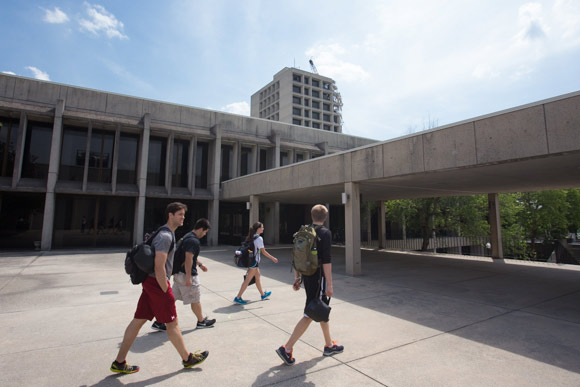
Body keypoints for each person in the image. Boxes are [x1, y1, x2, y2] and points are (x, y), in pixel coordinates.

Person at [110, 202, 209, 374]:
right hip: (157, 284)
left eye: (184, 215)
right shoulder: (165, 236)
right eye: (180, 214)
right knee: (172, 324)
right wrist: (165, 289)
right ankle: (187, 359)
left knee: (138, 320)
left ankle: (119, 362)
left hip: (150, 283)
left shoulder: (164, 232)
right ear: (170, 215)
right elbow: (159, 266)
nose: (183, 218)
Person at [276, 204, 343, 365]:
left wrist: (297, 278)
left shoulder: (304, 232)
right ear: (325, 218)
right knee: (311, 311)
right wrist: (330, 285)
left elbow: (297, 256)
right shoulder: (325, 233)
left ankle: (329, 345)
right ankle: (287, 348)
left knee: (321, 309)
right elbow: (326, 261)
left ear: (312, 216)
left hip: (307, 275)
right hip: (319, 277)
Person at [152, 218, 215, 331]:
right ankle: (201, 321)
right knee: (195, 299)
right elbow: (188, 259)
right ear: (201, 229)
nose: (205, 234)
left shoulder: (187, 236)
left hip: (178, 274)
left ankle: (159, 321)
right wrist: (189, 277)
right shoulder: (193, 241)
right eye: (205, 232)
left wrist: (200, 265)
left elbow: (189, 257)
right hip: (185, 275)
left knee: (171, 298)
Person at [233, 222, 278, 304]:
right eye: (262, 227)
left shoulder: (252, 237)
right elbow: (263, 251)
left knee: (257, 277)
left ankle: (263, 295)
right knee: (247, 280)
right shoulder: (259, 239)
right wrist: (273, 258)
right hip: (254, 262)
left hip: (253, 261)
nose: (263, 229)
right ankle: (238, 297)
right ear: (258, 229)